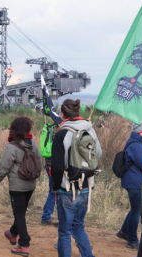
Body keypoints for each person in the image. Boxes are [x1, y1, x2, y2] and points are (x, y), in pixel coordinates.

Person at [51, 99, 101, 257]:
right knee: (78, 227)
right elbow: (97, 154)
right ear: (78, 112)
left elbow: (57, 167)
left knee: (65, 231)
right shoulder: (90, 130)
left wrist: (55, 187)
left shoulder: (61, 134)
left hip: (67, 189)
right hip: (87, 187)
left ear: (62, 114)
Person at [0, 116, 40, 257]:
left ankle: (24, 243)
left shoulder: (12, 146)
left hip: (17, 186)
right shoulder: (33, 144)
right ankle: (12, 233)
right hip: (31, 184)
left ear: (13, 130)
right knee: (21, 212)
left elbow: (3, 169)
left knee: (19, 214)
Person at [117, 122, 142, 249]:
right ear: (140, 132)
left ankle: (124, 232)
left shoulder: (135, 142)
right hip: (135, 182)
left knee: (135, 209)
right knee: (137, 211)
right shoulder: (137, 146)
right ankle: (132, 241)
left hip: (133, 180)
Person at [41, 107, 61, 226]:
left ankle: (47, 216)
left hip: (49, 165)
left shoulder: (50, 128)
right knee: (58, 191)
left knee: (52, 191)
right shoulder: (60, 130)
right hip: (57, 166)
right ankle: (54, 217)